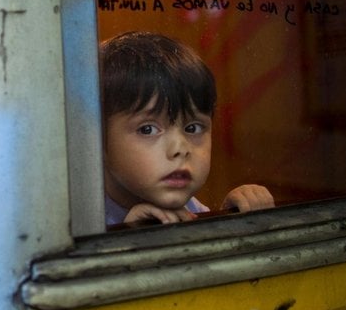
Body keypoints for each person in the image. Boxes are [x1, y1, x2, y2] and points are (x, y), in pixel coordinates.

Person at [101, 31, 274, 228]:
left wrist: (229, 217)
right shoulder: (79, 222)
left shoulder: (191, 208)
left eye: (193, 127)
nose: (180, 148)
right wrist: (126, 239)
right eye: (147, 129)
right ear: (98, 141)